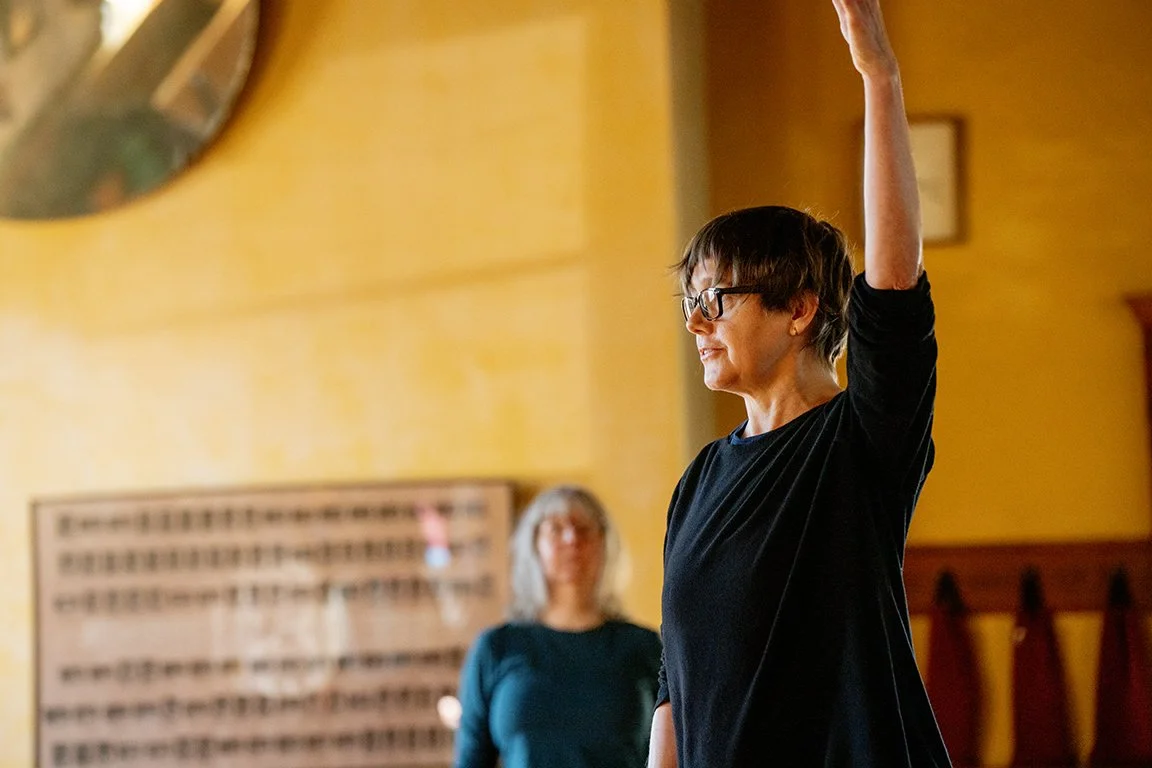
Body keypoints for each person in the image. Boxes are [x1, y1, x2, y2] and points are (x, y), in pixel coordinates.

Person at [648, 0, 952, 766]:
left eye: (716, 300)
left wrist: (878, 77)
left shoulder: (859, 442)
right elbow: (674, 685)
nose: (696, 324)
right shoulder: (700, 483)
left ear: (799, 309)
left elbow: (891, 290)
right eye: (690, 305)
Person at [454, 485, 662, 768]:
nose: (571, 539)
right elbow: (471, 759)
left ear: (605, 544)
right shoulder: (496, 648)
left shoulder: (647, 648)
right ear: (533, 545)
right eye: (555, 528)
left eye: (584, 528)